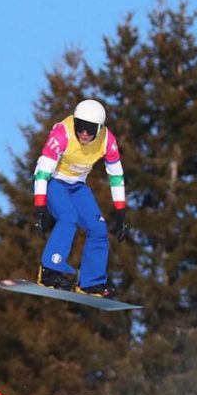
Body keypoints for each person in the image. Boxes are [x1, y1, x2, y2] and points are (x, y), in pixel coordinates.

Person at [32, 99, 127, 297]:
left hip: (78, 186)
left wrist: (121, 211)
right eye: (80, 127)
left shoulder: (107, 140)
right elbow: (41, 173)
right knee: (68, 217)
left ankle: (91, 283)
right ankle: (49, 272)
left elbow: (116, 174)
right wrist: (40, 207)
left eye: (90, 129)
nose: (84, 133)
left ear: (99, 129)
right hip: (54, 182)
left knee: (98, 227)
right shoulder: (63, 133)